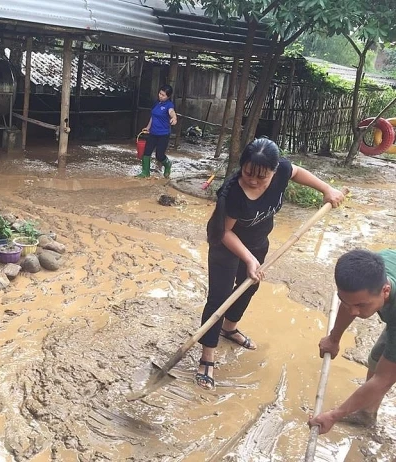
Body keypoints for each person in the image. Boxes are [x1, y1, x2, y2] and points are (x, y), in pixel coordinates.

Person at [195, 138, 344, 390]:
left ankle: (229, 329)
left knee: (250, 285)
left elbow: (297, 172)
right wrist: (250, 259)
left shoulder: (282, 170)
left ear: (274, 171)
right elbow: (225, 233)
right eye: (248, 173)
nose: (254, 180)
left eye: (262, 177)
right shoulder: (232, 194)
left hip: (257, 241)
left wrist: (327, 189)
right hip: (226, 245)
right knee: (219, 297)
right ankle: (207, 356)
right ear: (242, 166)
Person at [308, 249, 396, 434]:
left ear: (385, 290)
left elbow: (384, 379)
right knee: (376, 359)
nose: (353, 311)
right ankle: (367, 413)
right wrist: (334, 338)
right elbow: (350, 304)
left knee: (385, 372)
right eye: (347, 302)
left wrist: (334, 415)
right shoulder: (377, 265)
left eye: (361, 305)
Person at [136, 84, 177, 179]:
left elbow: (172, 112)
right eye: (160, 93)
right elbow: (153, 117)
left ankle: (167, 164)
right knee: (146, 152)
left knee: (159, 155)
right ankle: (145, 172)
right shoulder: (156, 103)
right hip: (153, 133)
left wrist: (174, 117)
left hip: (163, 135)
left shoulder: (169, 105)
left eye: (163, 95)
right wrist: (148, 127)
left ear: (168, 96)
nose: (160, 96)